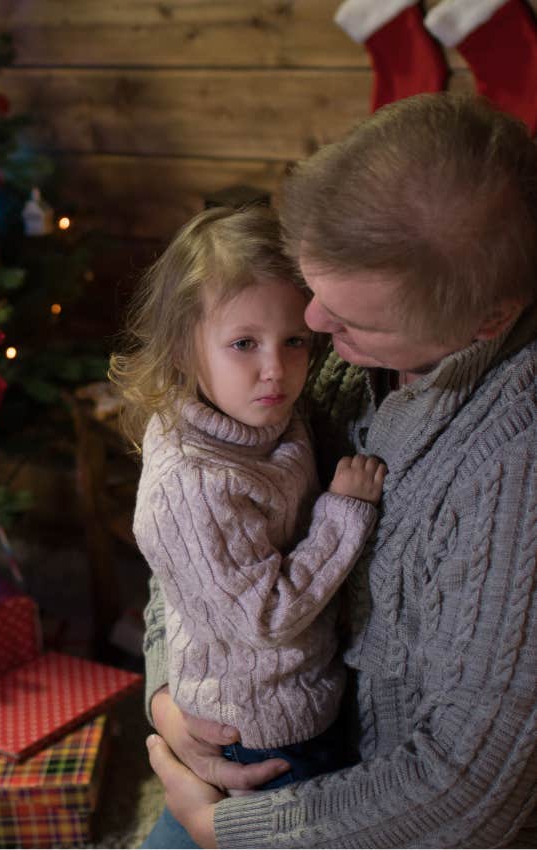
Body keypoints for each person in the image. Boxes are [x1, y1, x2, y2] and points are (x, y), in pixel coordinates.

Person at [140, 91, 537, 848]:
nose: (311, 329)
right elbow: (197, 544)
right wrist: (167, 700)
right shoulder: (336, 354)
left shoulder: (512, 470)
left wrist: (235, 832)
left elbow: (468, 786)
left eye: (350, 320)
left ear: (486, 320)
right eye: (313, 289)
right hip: (265, 733)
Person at [109, 205, 386, 795]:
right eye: (244, 343)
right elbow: (265, 618)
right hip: (264, 721)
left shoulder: (260, 415)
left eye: (295, 341)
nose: (277, 371)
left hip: (299, 685)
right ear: (184, 349)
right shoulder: (194, 483)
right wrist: (343, 514)